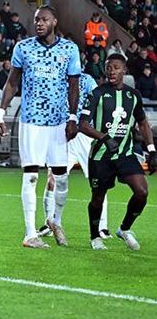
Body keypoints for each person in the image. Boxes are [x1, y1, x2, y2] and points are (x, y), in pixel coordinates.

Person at [0, 5, 82, 249]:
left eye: (44, 19)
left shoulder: (69, 49)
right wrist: (1, 112)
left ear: (55, 21)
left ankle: (56, 221)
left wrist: (73, 117)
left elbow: (73, 85)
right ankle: (30, 233)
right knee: (31, 175)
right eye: (36, 20)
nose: (39, 23)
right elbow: (12, 83)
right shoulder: (23, 48)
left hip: (58, 123)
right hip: (31, 120)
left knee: (61, 179)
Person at [80, 54, 157, 250]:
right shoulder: (97, 93)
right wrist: (104, 138)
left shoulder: (133, 95)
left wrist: (151, 149)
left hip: (125, 153)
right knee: (98, 197)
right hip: (100, 156)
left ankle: (124, 229)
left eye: (115, 67)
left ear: (124, 70)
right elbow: (83, 125)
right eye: (108, 67)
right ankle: (95, 236)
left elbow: (142, 122)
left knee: (142, 191)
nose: (111, 71)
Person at [38, 73, 113, 241]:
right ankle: (49, 223)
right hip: (62, 135)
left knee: (98, 181)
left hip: (84, 135)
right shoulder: (55, 78)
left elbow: (99, 101)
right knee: (52, 179)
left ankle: (102, 226)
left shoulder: (86, 80)